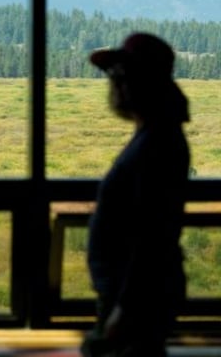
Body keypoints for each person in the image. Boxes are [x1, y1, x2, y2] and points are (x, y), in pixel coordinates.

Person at [83, 32, 190, 357]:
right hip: (134, 295)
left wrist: (124, 310)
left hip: (135, 300)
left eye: (119, 74)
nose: (113, 83)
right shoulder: (156, 137)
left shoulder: (156, 145)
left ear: (140, 82)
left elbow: (151, 238)